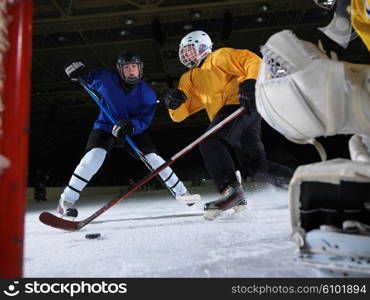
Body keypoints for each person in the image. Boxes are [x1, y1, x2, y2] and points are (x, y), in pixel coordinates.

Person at [164, 30, 294, 219]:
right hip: (236, 118)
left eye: (190, 50)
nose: (187, 55)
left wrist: (250, 81)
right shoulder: (188, 78)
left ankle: (230, 191)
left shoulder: (218, 57)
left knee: (209, 141)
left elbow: (251, 60)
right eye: (184, 52)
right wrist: (174, 103)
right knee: (258, 168)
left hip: (238, 105)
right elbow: (179, 116)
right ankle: (302, 184)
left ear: (203, 47)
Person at [58, 51, 200, 218]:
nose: (131, 71)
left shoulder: (148, 94)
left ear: (140, 69)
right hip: (106, 127)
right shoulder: (106, 79)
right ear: (120, 69)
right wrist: (78, 73)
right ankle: (66, 201)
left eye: (134, 66)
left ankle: (182, 193)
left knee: (154, 159)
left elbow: (144, 120)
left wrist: (132, 126)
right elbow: (88, 78)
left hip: (132, 130)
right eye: (127, 67)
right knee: (94, 156)